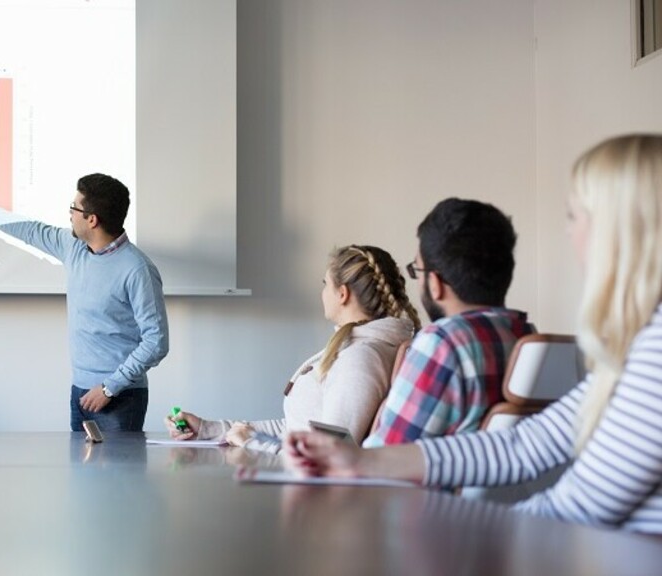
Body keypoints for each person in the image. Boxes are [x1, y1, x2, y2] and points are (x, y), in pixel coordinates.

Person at [284, 134, 662, 535]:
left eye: (575, 216)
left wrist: (474, 544)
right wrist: (361, 462)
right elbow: (527, 444)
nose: (570, 233)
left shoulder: (656, 349)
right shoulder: (639, 342)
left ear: (622, 228)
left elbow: (579, 508)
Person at [0, 173, 169, 432]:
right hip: (81, 390)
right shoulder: (73, 247)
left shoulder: (137, 269)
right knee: (82, 471)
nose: (69, 214)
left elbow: (156, 341)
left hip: (120, 397)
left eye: (74, 208)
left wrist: (109, 387)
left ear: (92, 220)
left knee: (119, 474)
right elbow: (27, 227)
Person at [165, 245, 421, 452]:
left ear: (342, 294)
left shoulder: (360, 359)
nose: (322, 292)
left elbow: (328, 455)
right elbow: (298, 429)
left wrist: (253, 442)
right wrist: (209, 428)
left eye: (325, 284)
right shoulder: (360, 349)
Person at [364, 198, 535, 447]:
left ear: (435, 283)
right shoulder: (525, 335)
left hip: (426, 485)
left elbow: (384, 454)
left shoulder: (442, 343)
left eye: (417, 270)